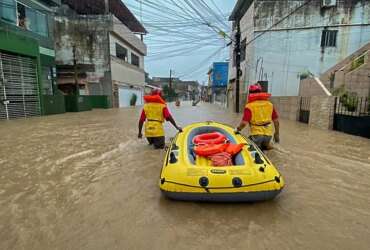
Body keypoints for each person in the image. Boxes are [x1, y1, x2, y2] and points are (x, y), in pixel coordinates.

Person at [235, 84, 280, 150]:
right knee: (265, 149)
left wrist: (237, 129)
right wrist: (276, 134)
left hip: (256, 136)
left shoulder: (249, 106)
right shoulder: (270, 105)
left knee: (250, 148)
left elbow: (244, 123)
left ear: (250, 93)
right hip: (268, 135)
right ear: (260, 92)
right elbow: (276, 122)